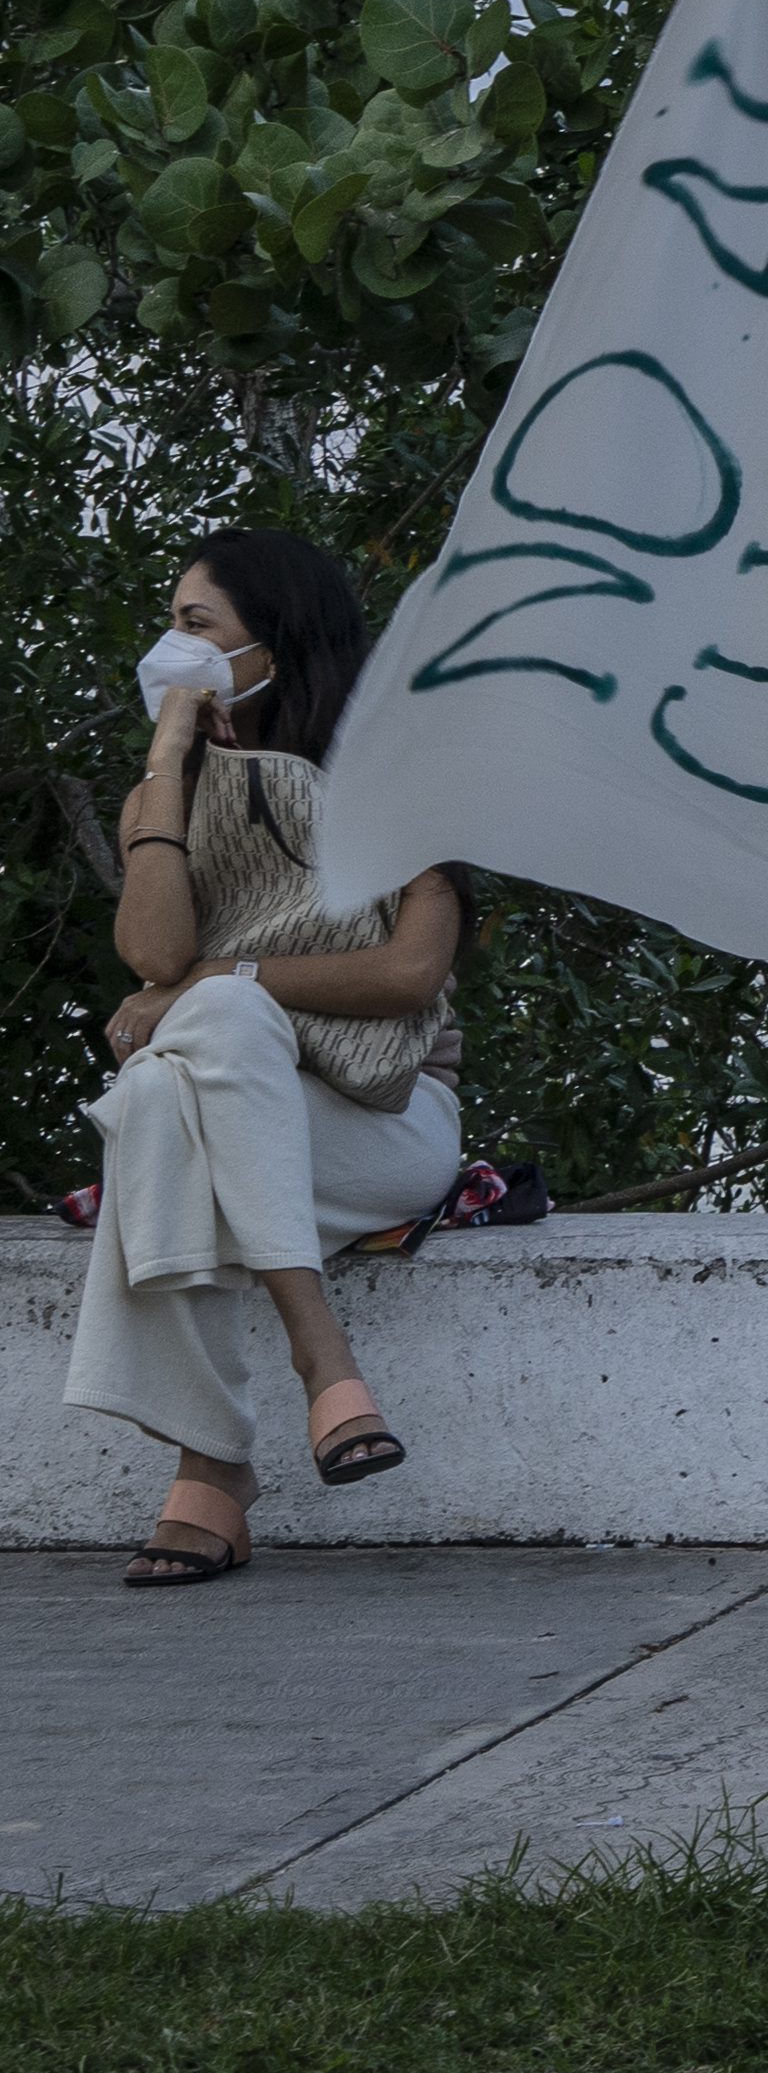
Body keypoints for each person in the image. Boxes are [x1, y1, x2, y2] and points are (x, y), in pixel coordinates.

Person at [64, 531, 474, 1587]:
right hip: (245, 1115)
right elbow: (152, 954)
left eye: (196, 625)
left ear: (275, 642)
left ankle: (218, 1456)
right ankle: (317, 1366)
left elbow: (408, 974)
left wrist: (217, 976)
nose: (172, 643)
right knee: (175, 1077)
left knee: (204, 1031)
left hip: (383, 1122)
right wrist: (167, 755)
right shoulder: (169, 797)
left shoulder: (395, 777)